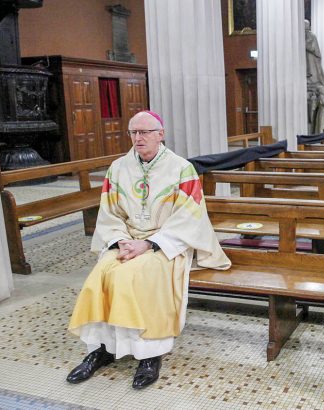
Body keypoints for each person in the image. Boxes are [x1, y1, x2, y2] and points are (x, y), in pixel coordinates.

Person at [66, 110, 231, 389]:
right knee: (102, 273)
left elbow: (189, 216)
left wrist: (149, 243)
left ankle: (149, 355)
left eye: (145, 132)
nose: (138, 138)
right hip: (126, 240)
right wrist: (120, 240)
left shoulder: (181, 168)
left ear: (160, 134)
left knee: (139, 276)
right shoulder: (118, 168)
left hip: (166, 242)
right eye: (133, 132)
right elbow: (110, 212)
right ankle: (102, 349)